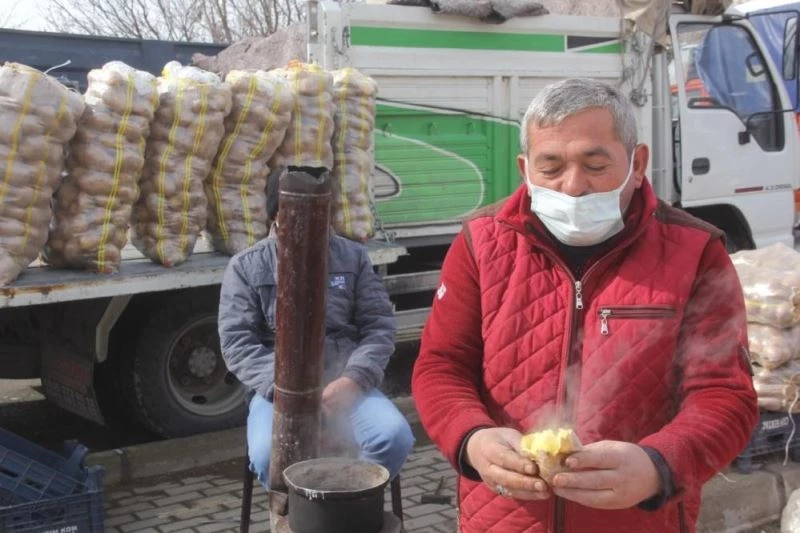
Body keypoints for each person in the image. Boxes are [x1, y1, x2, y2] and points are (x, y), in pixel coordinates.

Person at [411, 78, 758, 532]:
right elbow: (441, 366)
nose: (573, 187)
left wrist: (659, 465)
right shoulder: (481, 243)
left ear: (638, 164)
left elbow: (724, 395)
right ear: (524, 169)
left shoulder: (695, 253)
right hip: (502, 519)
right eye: (550, 166)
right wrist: (472, 439)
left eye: (596, 165)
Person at [218, 169, 414, 487]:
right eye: (298, 210)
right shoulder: (246, 267)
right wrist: (288, 392)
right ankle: (296, 510)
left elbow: (378, 326)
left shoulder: (353, 258)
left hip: (346, 388)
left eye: (320, 210)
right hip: (278, 396)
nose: (312, 220)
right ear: (276, 214)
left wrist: (354, 379)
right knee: (269, 456)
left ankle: (349, 499)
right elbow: (237, 343)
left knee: (393, 438)